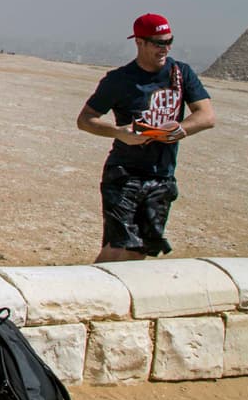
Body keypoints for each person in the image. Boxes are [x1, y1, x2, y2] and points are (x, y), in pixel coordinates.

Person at [76, 13, 216, 262]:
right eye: (158, 43)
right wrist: (119, 133)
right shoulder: (118, 80)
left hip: (161, 175)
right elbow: (85, 119)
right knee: (116, 247)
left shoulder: (181, 73)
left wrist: (178, 131)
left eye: (169, 41)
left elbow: (206, 116)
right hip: (124, 172)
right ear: (139, 42)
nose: (165, 48)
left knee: (137, 251)